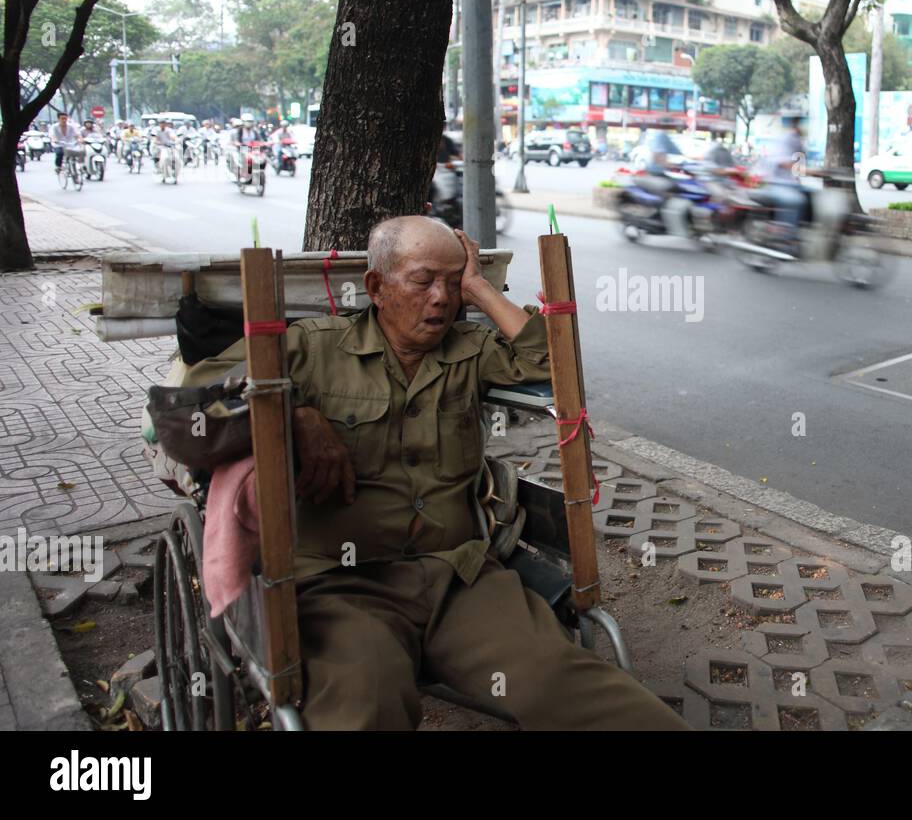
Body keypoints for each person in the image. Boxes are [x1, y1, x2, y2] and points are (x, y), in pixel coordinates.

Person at [180, 217, 689, 731]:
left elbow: (555, 368)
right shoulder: (311, 348)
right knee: (367, 701)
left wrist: (480, 288)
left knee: (567, 684)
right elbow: (189, 410)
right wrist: (291, 414)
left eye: (452, 283)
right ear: (377, 287)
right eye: (424, 281)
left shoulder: (470, 350)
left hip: (460, 580)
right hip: (340, 588)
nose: (442, 299)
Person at [757, 116, 807, 245]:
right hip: (775, 183)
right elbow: (783, 163)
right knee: (795, 200)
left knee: (812, 196)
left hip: (790, 184)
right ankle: (785, 235)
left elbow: (799, 171)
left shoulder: (799, 142)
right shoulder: (784, 140)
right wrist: (808, 171)